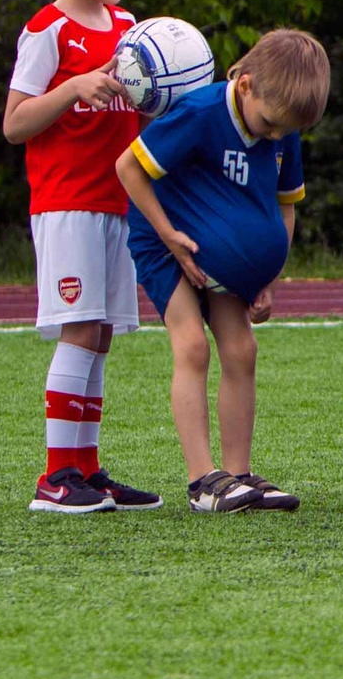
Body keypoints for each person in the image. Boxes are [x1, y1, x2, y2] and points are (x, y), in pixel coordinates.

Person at [115, 30, 331, 513]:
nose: (274, 136)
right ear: (247, 84)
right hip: (166, 243)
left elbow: (285, 208)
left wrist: (267, 276)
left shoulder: (284, 127)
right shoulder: (200, 113)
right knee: (191, 344)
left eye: (285, 131)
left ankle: (239, 474)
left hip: (226, 261)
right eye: (270, 124)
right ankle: (202, 481)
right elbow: (128, 167)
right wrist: (169, 234)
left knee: (242, 348)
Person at [4, 0, 158, 514]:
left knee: (100, 334)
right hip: (67, 202)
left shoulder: (129, 30)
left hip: (117, 203)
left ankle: (87, 472)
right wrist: (71, 91)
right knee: (77, 332)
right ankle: (55, 475)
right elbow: (15, 123)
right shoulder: (48, 29)